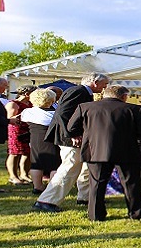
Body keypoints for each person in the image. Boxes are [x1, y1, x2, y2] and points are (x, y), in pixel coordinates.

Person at [66, 85, 141, 221]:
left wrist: (87, 133)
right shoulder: (135, 109)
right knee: (131, 183)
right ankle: (136, 213)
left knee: (97, 183)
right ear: (124, 96)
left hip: (95, 150)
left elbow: (70, 128)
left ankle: (95, 215)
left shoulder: (86, 107)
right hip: (127, 149)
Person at [33, 72, 109, 213]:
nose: (105, 87)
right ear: (95, 82)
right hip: (69, 138)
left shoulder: (82, 92)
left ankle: (85, 196)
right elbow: (63, 113)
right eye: (104, 84)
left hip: (73, 136)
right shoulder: (78, 91)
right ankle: (46, 201)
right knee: (69, 168)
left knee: (82, 166)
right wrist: (72, 134)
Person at [20, 88, 60, 195]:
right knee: (55, 164)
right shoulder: (56, 113)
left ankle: (37, 187)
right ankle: (52, 188)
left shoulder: (28, 112)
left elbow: (23, 119)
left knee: (36, 163)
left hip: (35, 139)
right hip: (52, 139)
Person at [5, 85, 37, 185]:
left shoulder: (32, 103)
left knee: (27, 152)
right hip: (16, 130)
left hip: (29, 129)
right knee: (15, 153)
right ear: (27, 94)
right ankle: (13, 176)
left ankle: (24, 174)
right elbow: (10, 118)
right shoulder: (13, 104)